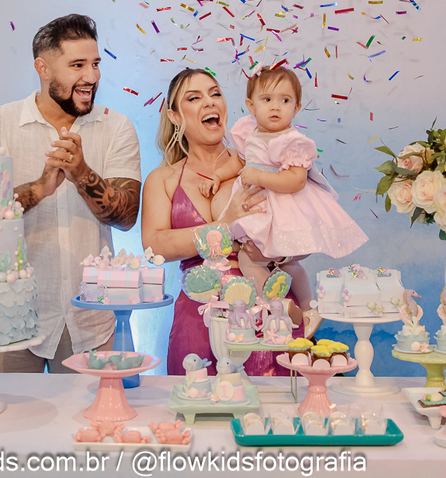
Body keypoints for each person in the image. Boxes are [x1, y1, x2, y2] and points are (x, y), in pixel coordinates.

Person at [0, 14, 141, 373]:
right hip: (10, 316)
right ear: (43, 68)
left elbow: (127, 216)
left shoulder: (116, 126)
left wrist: (82, 173)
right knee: (1, 409)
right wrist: (39, 189)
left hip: (91, 321)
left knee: (95, 410)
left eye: (95, 64)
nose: (91, 77)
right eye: (77, 65)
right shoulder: (0, 124)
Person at [140, 67, 296, 376]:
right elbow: (154, 246)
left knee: (275, 402)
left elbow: (300, 225)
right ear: (174, 116)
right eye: (194, 98)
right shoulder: (163, 179)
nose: (210, 102)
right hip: (197, 316)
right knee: (197, 398)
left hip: (267, 311)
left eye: (215, 94)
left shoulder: (261, 165)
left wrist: (280, 254)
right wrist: (225, 225)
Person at [216, 65, 368, 318]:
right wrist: (217, 176)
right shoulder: (249, 132)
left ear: (296, 107)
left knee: (267, 260)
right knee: (263, 260)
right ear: (251, 106)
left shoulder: (292, 141)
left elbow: (296, 181)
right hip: (259, 205)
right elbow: (240, 161)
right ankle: (292, 306)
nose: (275, 107)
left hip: (284, 207)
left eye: (284, 100)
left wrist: (259, 177)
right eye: (267, 100)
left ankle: (301, 306)